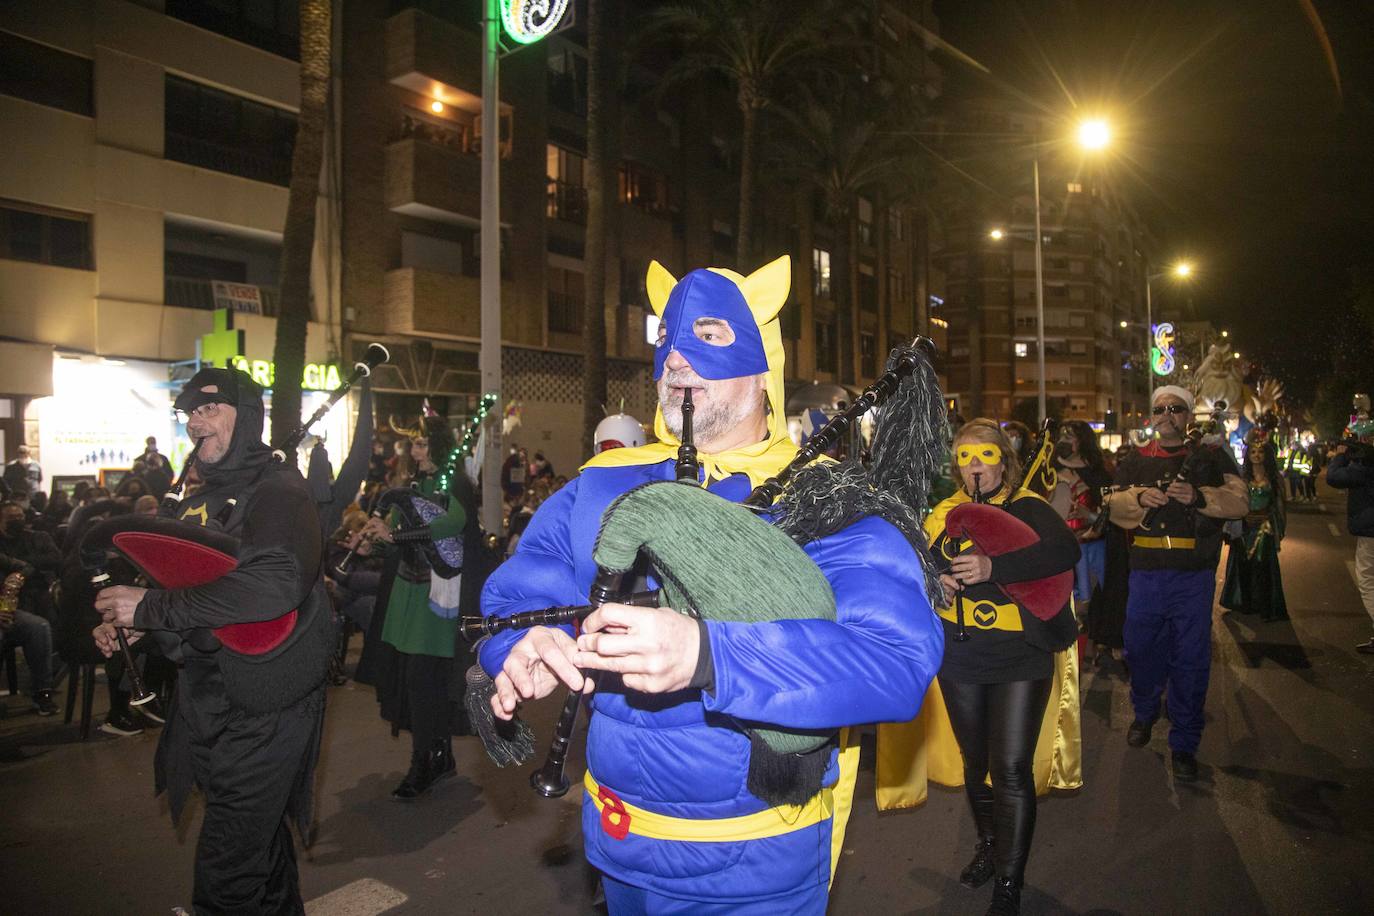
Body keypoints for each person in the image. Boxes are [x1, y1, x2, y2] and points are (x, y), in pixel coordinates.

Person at [479, 256, 944, 914]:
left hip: (750, 871)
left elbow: (893, 660)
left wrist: (710, 655)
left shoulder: (828, 499)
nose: (676, 359)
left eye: (711, 336)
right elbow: (526, 585)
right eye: (666, 339)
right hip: (617, 847)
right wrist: (526, 642)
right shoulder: (606, 482)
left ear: (763, 371)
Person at [91, 367, 333, 914]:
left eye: (210, 408)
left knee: (227, 875)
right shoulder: (195, 499)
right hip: (208, 700)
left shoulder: (279, 489)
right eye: (191, 412)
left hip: (268, 701)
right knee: (261, 857)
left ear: (245, 417)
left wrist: (152, 606)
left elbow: (275, 583)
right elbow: (193, 593)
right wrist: (138, 621)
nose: (197, 422)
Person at [879, 420, 1080, 915]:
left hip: (1018, 653)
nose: (975, 465)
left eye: (985, 455)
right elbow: (918, 570)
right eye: (966, 457)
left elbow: (1065, 551)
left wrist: (995, 569)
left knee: (1010, 769)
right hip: (961, 653)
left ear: (1003, 460)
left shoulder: (1027, 506)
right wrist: (937, 582)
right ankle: (990, 848)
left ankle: (1009, 883)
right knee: (978, 765)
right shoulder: (944, 515)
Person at [1104, 385, 1246, 781]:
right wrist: (1138, 497)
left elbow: (1240, 500)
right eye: (1160, 409)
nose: (1167, 415)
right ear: (1151, 415)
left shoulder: (1211, 456)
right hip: (1146, 571)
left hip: (1193, 575)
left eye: (1176, 409)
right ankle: (1145, 712)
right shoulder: (1135, 459)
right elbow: (1110, 503)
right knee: (1140, 649)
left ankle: (1184, 741)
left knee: (1191, 659)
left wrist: (1199, 497)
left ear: (1187, 416)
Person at [359, 414, 483, 800]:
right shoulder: (414, 484)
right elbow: (396, 529)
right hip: (406, 594)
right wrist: (374, 542)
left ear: (440, 446)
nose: (416, 450)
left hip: (438, 598)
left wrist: (395, 534)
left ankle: (427, 759)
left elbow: (454, 523)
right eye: (413, 444)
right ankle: (436, 756)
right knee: (415, 680)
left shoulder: (454, 482)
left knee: (423, 679)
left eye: (423, 443)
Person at [1221, 431, 1288, 622]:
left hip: (1264, 529)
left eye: (1260, 452)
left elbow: (1280, 506)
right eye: (1253, 452)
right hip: (1244, 528)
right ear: (1248, 456)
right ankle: (1246, 604)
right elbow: (1233, 503)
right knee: (1243, 566)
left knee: (1264, 567)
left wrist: (1276, 525)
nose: (1257, 455)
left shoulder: (1275, 479)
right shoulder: (1241, 479)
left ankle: (1266, 607)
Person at [0, 501, 59, 715]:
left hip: (13, 605)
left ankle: (42, 691)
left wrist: (17, 575)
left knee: (39, 627)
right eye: (10, 517)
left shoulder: (37, 537)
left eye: (20, 516)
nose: (17, 521)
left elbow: (37, 564)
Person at [1325, 421, 1374, 653]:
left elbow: (1333, 477)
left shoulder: (1364, 466)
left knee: (1367, 581)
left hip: (1370, 532)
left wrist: (1341, 455)